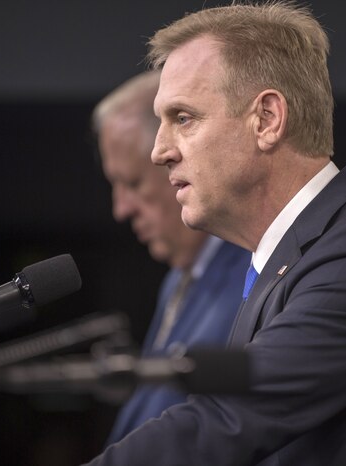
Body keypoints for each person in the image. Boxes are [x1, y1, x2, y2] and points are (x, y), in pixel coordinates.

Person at [85, 3, 346, 465]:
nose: (159, 151)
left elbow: (227, 419)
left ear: (267, 119)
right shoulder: (285, 258)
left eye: (183, 118)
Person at [92, 70, 251, 443]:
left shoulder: (250, 274)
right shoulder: (177, 280)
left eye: (132, 183)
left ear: (176, 163)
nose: (121, 209)